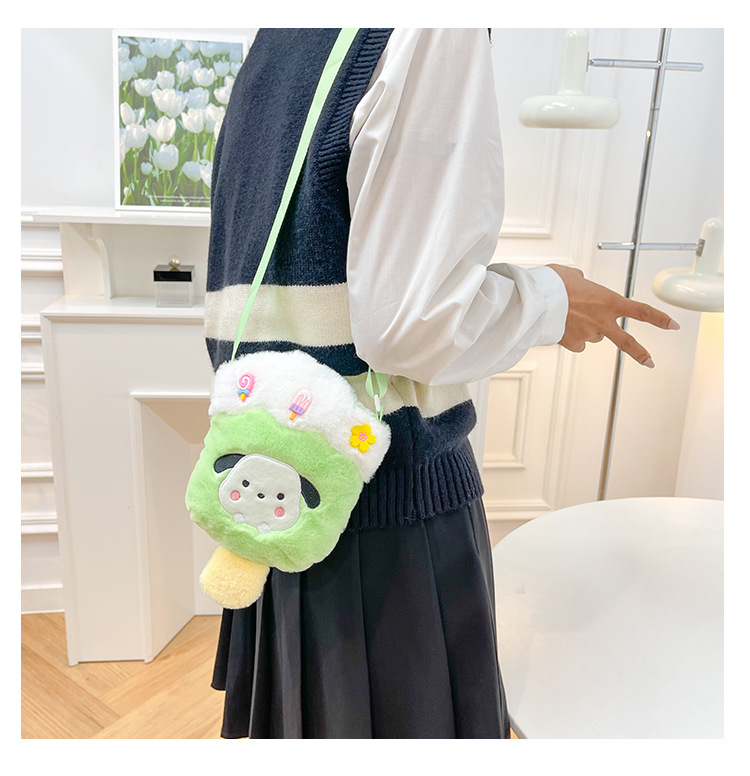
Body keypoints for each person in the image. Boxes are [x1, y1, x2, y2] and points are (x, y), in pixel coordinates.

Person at [204, 28, 678, 739]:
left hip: (282, 482)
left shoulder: (277, 36)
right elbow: (412, 324)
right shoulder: (432, 28)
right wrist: (553, 300)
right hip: (383, 521)